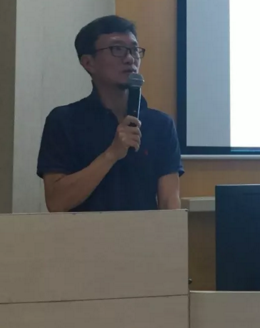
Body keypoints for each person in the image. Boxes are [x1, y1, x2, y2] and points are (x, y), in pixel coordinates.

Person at [37, 15, 183, 212]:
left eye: (134, 50)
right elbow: (57, 203)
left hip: (144, 232)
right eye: (117, 49)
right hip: (83, 232)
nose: (130, 58)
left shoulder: (160, 124)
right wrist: (112, 154)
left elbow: (169, 203)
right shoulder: (63, 121)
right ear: (88, 63)